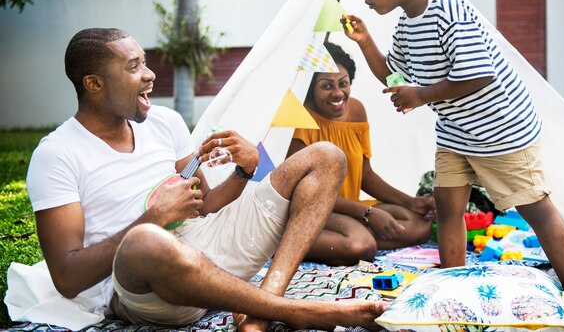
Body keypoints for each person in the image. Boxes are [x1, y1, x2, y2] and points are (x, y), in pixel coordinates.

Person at [24, 28, 388, 331]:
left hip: (209, 249)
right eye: (134, 67)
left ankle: (263, 305)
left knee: (326, 155)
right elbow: (68, 277)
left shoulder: (165, 122)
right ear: (94, 83)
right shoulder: (57, 154)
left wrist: (245, 171)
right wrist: (153, 220)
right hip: (148, 288)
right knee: (145, 241)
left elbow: (207, 205)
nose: (150, 75)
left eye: (145, 62)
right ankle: (292, 311)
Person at [339, 0, 564, 331]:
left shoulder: (448, 9)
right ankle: (454, 293)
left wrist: (420, 96)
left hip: (502, 129)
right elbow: (394, 75)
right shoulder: (405, 27)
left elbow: (478, 74)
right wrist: (367, 42)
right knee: (448, 207)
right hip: (457, 133)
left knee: (538, 211)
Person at [287, 42, 436, 266]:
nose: (338, 93)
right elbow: (309, 195)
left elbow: (365, 175)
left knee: (419, 225)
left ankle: (344, 237)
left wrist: (411, 201)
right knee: (362, 246)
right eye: (326, 86)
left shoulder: (356, 111)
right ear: (310, 89)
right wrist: (368, 214)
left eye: (343, 83)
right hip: (313, 210)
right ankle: (290, 239)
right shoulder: (299, 118)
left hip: (350, 207)